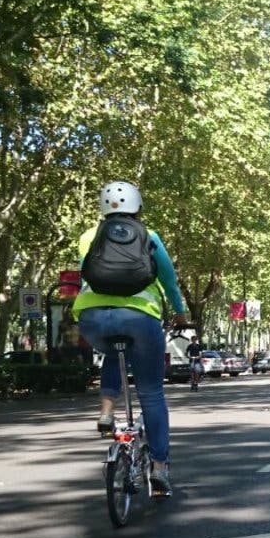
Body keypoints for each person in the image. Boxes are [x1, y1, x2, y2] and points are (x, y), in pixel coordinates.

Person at [74, 181, 187, 498]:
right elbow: (168, 279)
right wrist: (179, 312)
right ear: (138, 207)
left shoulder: (88, 237)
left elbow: (87, 273)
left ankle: (107, 412)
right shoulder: (150, 238)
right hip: (140, 317)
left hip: (93, 318)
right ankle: (160, 468)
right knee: (151, 395)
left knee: (113, 350)